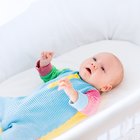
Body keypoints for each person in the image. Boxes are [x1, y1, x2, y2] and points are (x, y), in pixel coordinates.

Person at [0, 51, 124, 140]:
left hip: (32, 125)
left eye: (102, 68)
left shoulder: (92, 93)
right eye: (94, 59)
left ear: (105, 87)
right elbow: (50, 76)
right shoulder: (68, 73)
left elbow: (89, 107)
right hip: (18, 105)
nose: (94, 64)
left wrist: (73, 93)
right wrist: (45, 65)